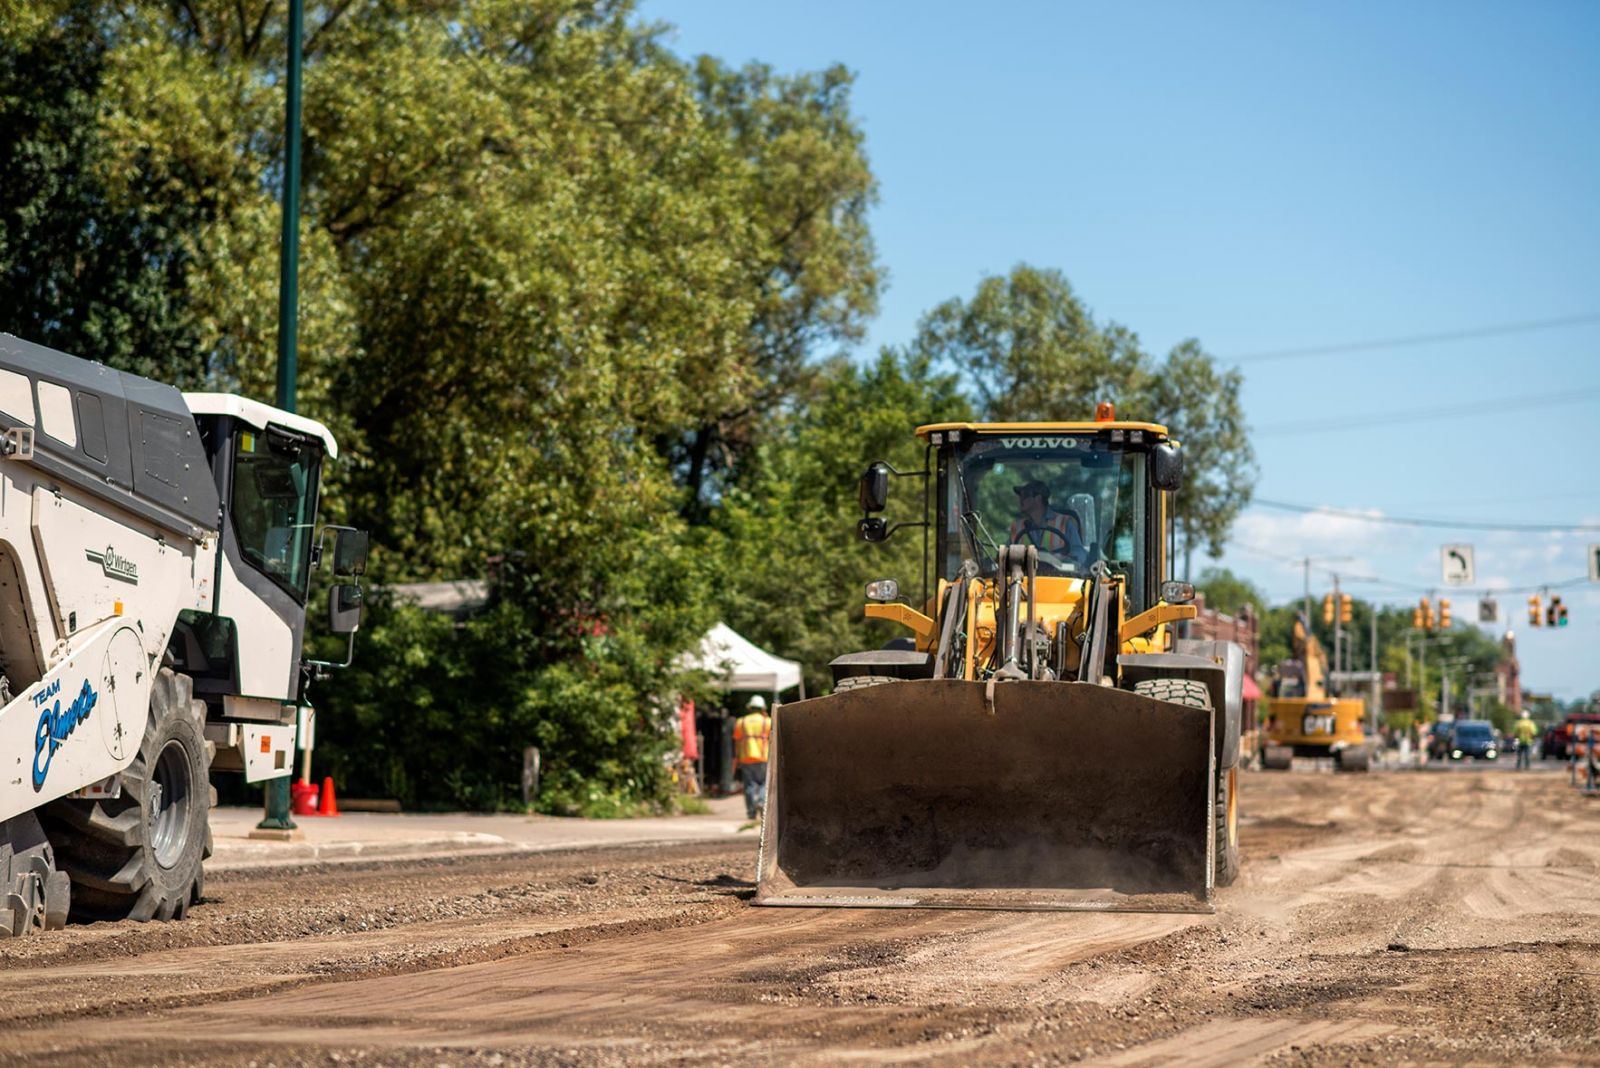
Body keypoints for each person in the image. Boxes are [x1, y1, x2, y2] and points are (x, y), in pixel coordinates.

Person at [1007, 480, 1086, 568]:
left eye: (1025, 495)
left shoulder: (1064, 522)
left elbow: (1079, 556)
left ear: (1038, 498)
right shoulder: (1017, 528)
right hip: (1023, 579)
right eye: (1020, 496)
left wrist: (1061, 559)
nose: (1021, 499)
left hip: (1059, 579)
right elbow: (1005, 557)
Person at [733, 695, 773, 821]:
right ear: (762, 708)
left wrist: (737, 757)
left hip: (746, 757)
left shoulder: (741, 721)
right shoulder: (767, 721)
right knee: (763, 783)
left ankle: (751, 812)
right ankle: (761, 802)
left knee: (749, 785)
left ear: (750, 708)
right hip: (763, 756)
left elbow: (737, 741)